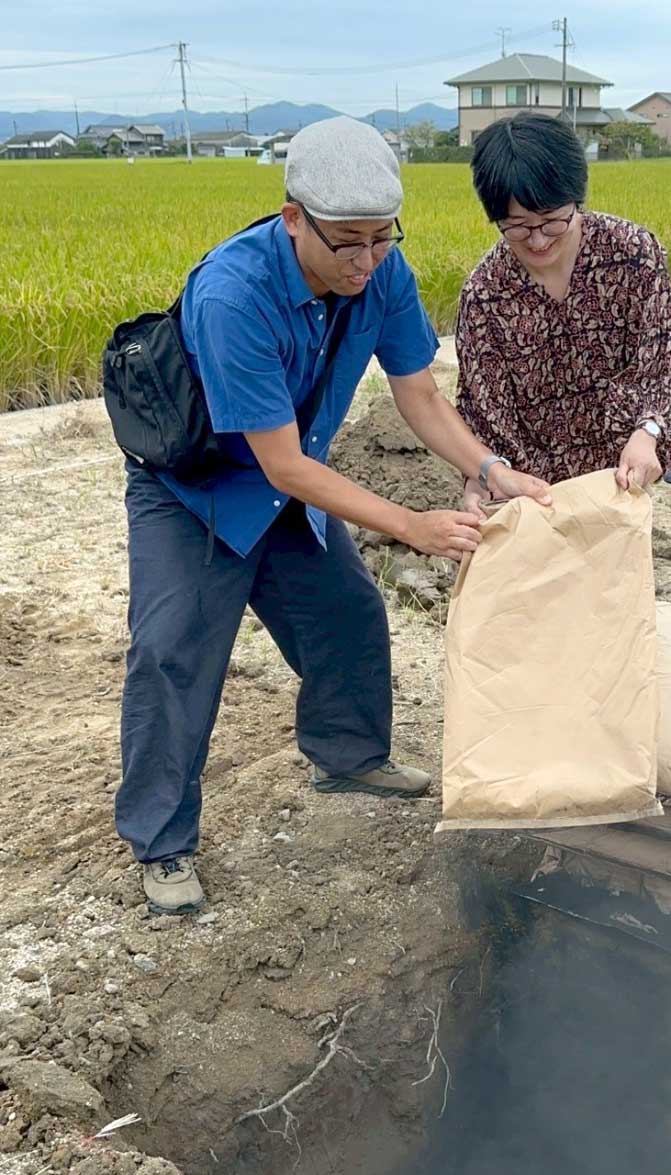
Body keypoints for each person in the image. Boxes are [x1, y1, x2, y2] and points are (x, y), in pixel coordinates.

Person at [116, 117, 550, 916]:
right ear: (294, 220)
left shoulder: (384, 273)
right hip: (195, 489)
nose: (366, 261)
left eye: (383, 238)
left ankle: (349, 758)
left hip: (289, 482)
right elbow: (281, 464)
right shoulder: (233, 293)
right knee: (173, 652)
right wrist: (410, 525)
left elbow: (419, 394)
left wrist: (489, 469)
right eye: (348, 243)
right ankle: (162, 843)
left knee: (347, 612)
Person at [455, 112, 671, 520]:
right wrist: (480, 476)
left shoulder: (631, 255)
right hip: (536, 494)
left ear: (577, 200)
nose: (538, 240)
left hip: (619, 474)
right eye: (517, 227)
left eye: (551, 222)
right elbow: (482, 408)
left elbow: (662, 361)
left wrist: (648, 431)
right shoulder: (485, 295)